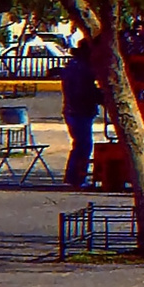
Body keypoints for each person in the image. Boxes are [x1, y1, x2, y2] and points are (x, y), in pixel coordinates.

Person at [60, 43, 103, 188]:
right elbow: (83, 92)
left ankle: (74, 176)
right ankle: (76, 178)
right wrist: (100, 97)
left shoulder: (75, 66)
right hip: (79, 111)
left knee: (81, 144)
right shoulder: (81, 69)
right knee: (83, 145)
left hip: (75, 110)